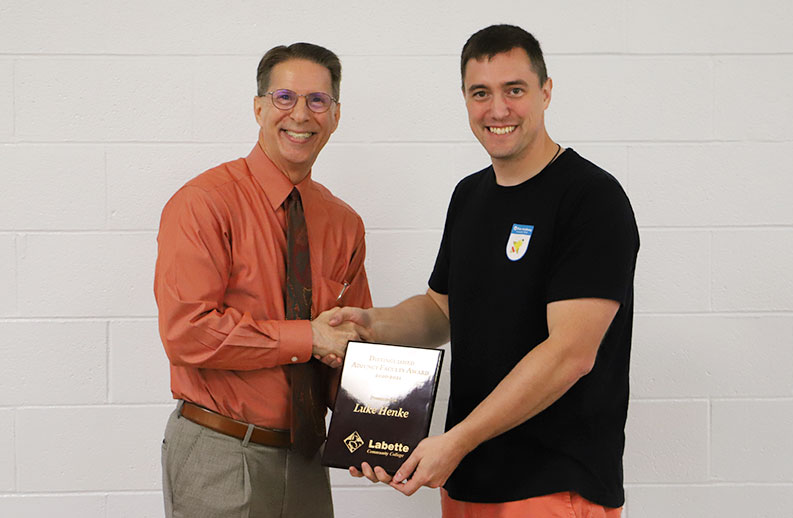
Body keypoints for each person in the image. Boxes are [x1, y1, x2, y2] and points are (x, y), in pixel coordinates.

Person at [332, 24, 639, 517]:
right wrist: (372, 324)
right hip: (468, 484)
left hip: (552, 487)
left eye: (513, 90)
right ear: (465, 100)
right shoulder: (469, 196)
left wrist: (455, 441)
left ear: (545, 92)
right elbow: (440, 310)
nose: (497, 109)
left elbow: (571, 354)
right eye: (481, 93)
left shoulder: (591, 198)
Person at [154, 42, 371, 518]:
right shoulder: (204, 204)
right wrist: (306, 336)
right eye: (285, 98)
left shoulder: (344, 224)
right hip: (221, 451)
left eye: (318, 101)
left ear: (335, 116)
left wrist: (381, 431)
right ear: (258, 108)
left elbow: (350, 347)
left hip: (307, 457)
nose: (301, 114)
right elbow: (186, 333)